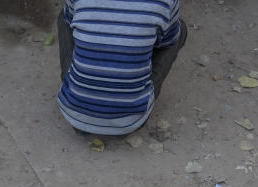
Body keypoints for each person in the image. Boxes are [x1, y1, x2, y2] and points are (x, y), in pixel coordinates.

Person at [57, 0, 187, 136]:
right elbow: (165, 41)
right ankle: (130, 93)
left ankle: (78, 90)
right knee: (179, 29)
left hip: (75, 115)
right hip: (130, 122)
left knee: (65, 16)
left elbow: (71, 19)